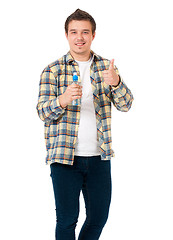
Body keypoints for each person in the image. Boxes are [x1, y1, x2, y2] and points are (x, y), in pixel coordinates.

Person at [36, 8, 133, 240]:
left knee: (99, 217)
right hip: (64, 159)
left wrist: (117, 82)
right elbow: (42, 112)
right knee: (67, 219)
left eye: (85, 32)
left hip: (99, 158)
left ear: (93, 35)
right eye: (74, 32)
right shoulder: (53, 70)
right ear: (67, 35)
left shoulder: (106, 68)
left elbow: (126, 105)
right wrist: (63, 99)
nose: (79, 37)